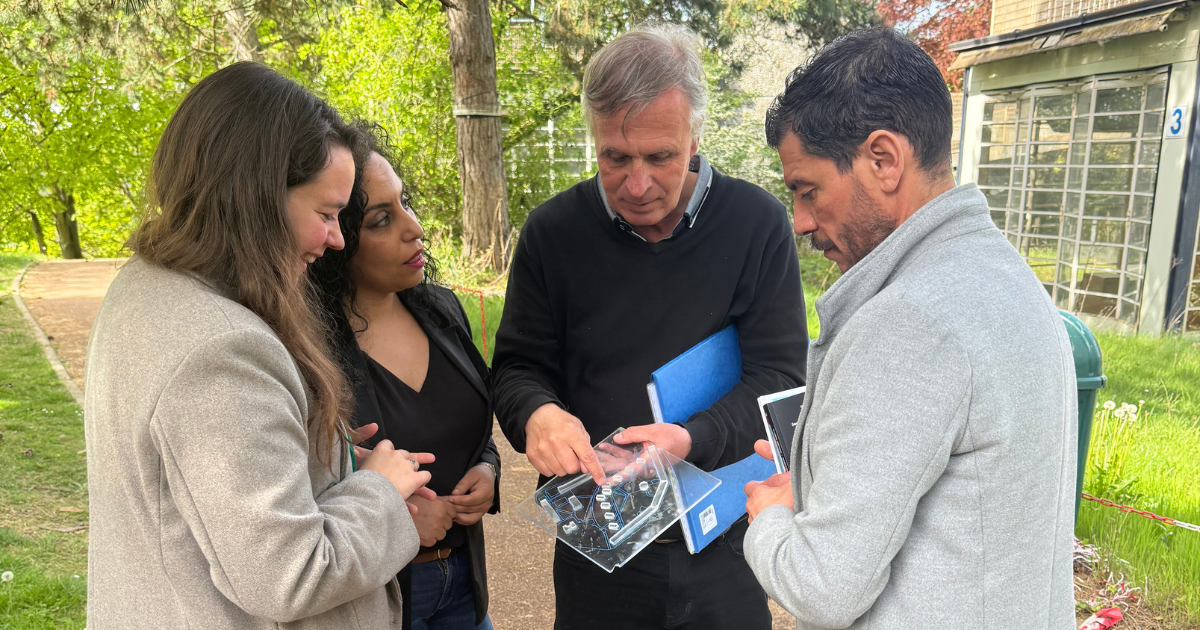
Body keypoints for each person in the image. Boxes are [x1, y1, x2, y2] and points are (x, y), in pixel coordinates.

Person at [742, 27, 1077, 630]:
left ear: (884, 160)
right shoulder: (1006, 277)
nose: (800, 222)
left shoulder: (908, 323)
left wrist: (771, 516)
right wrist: (818, 480)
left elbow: (822, 586)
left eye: (808, 190)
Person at [84, 62, 434, 630]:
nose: (336, 239)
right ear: (255, 199)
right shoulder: (221, 350)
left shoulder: (147, 287)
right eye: (326, 214)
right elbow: (290, 575)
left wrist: (318, 461)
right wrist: (380, 491)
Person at [492, 24, 808, 630]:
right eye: (615, 157)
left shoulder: (756, 224)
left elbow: (779, 377)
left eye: (660, 157)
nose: (636, 186)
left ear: (694, 138)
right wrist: (537, 413)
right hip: (599, 542)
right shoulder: (552, 234)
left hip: (724, 538)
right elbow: (517, 367)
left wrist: (692, 438)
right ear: (594, 137)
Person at [309, 140, 501, 630]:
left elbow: (472, 425)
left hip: (464, 585)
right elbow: (290, 480)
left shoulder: (441, 309)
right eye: (381, 220)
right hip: (378, 599)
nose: (414, 228)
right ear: (336, 238)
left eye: (405, 203)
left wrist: (487, 468)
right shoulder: (307, 347)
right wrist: (395, 515)